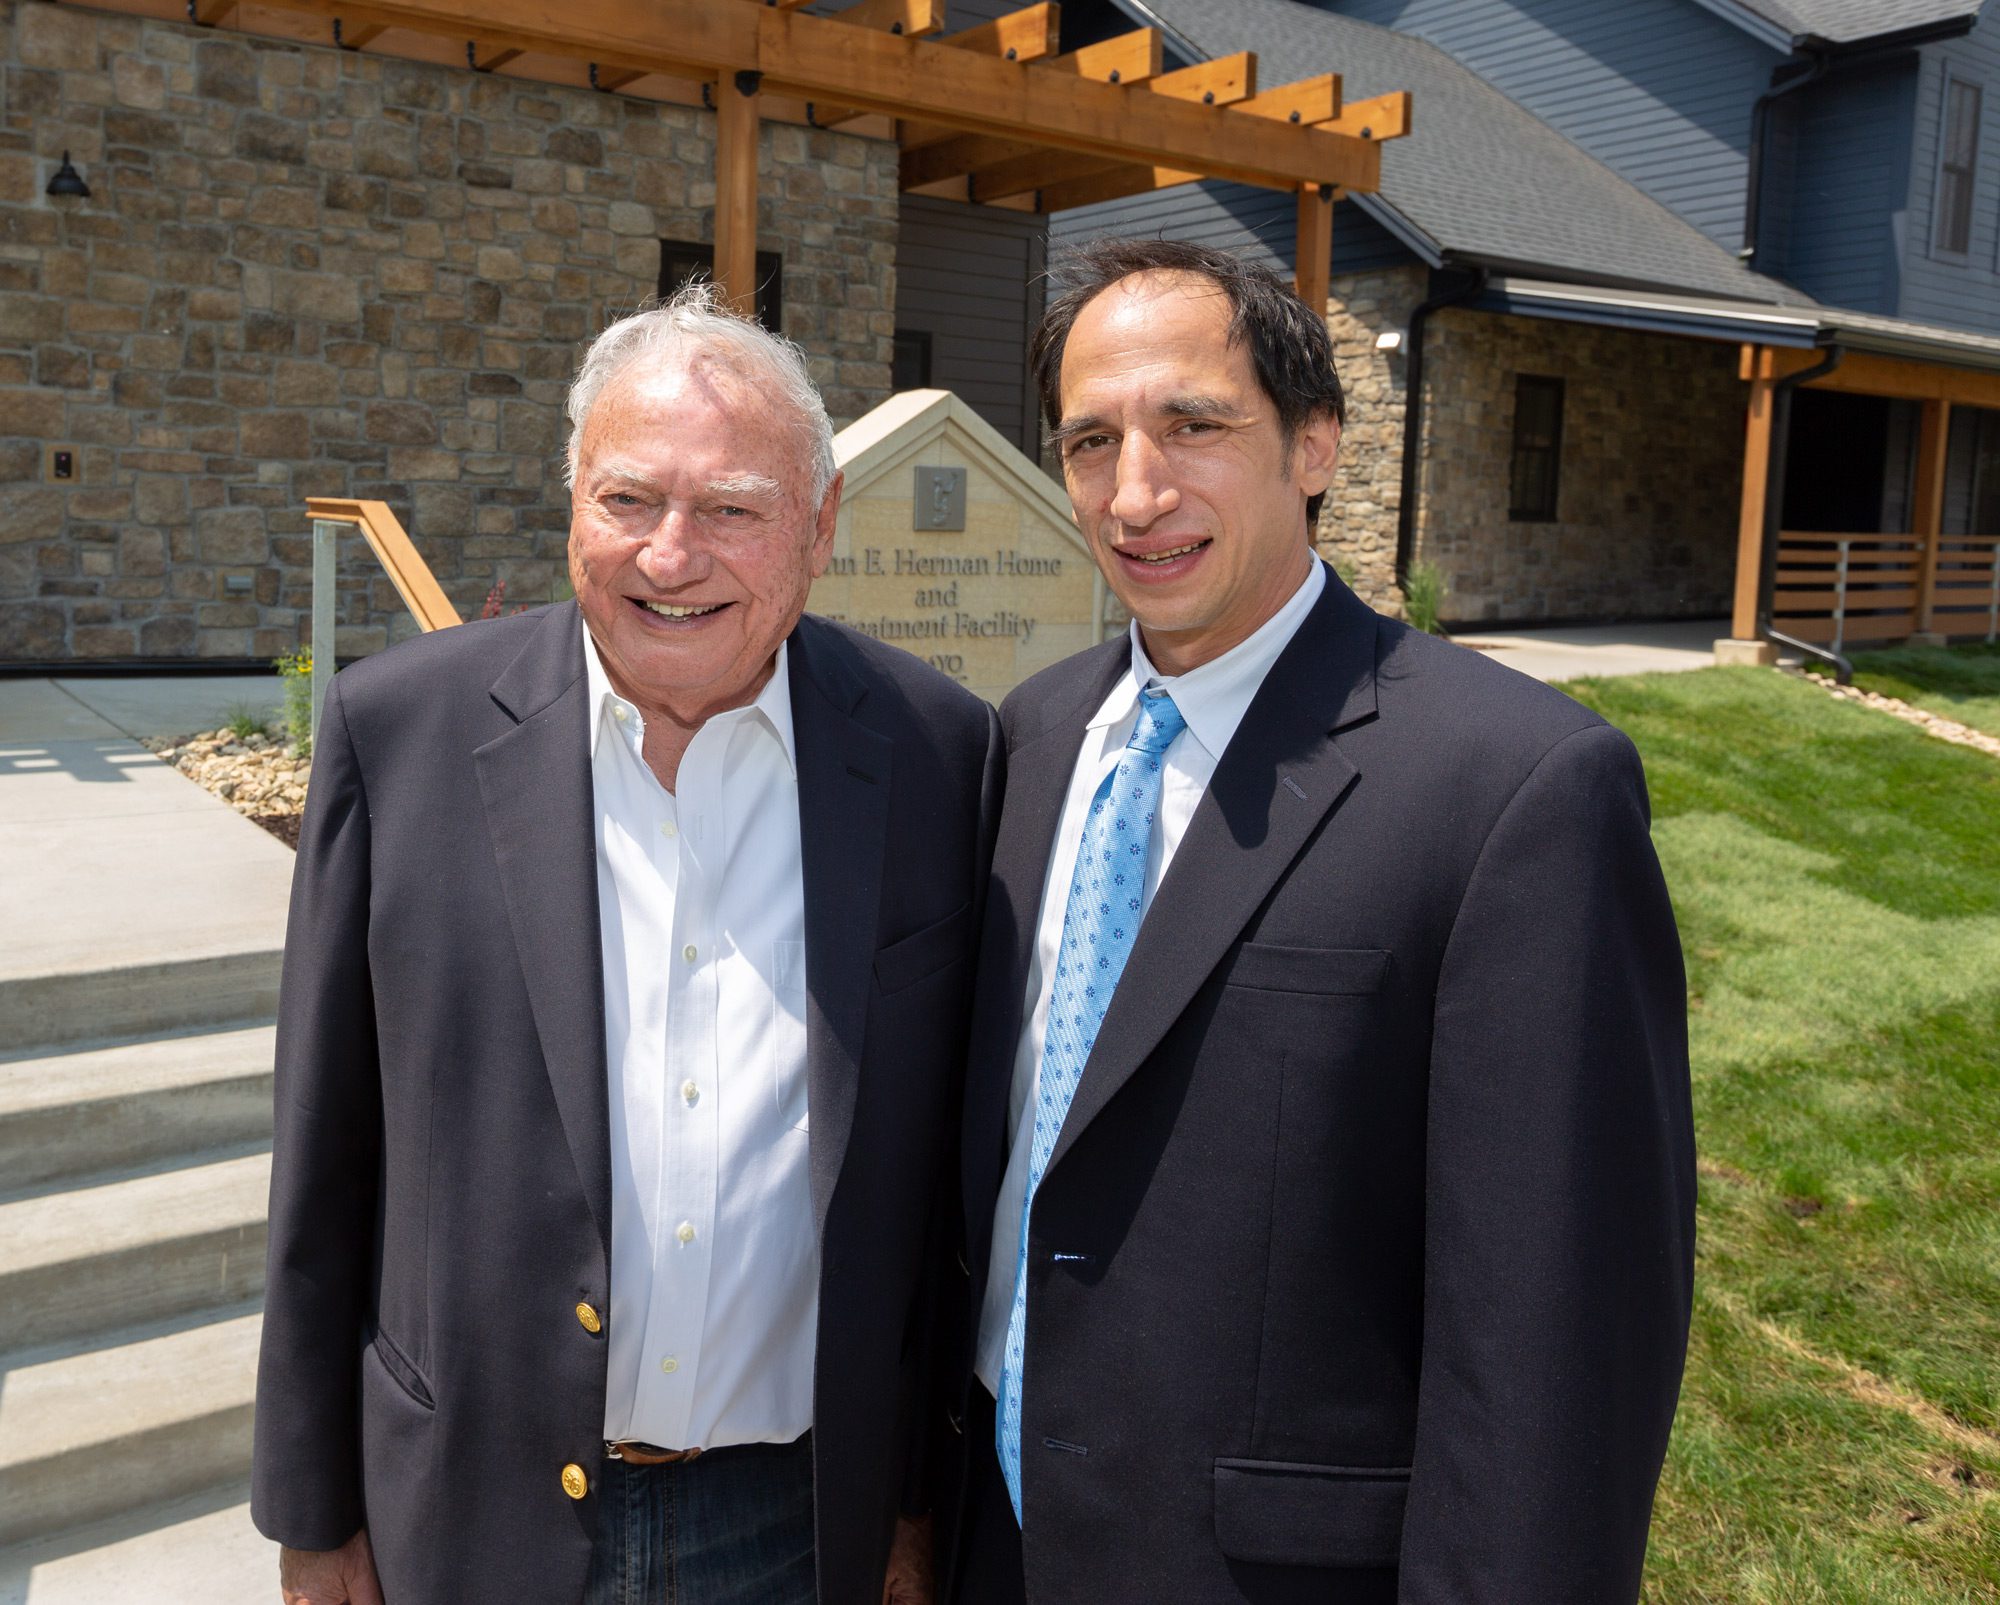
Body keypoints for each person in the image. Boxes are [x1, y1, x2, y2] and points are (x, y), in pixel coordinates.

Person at [940, 239, 1696, 1604]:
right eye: (1091, 440)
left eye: (1193, 425)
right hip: (995, 1538)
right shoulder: (1030, 739)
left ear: (1314, 445)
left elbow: (1553, 1341)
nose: (1137, 490)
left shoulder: (1516, 791)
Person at [252, 283, 1000, 1605]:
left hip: (796, 1516)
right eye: (630, 500)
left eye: (731, 508)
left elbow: (941, 1189)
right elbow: (327, 1157)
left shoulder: (938, 750)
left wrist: (914, 1511)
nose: (671, 554)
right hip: (474, 1509)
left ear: (820, 525)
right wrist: (315, 1517)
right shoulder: (400, 736)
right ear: (572, 506)